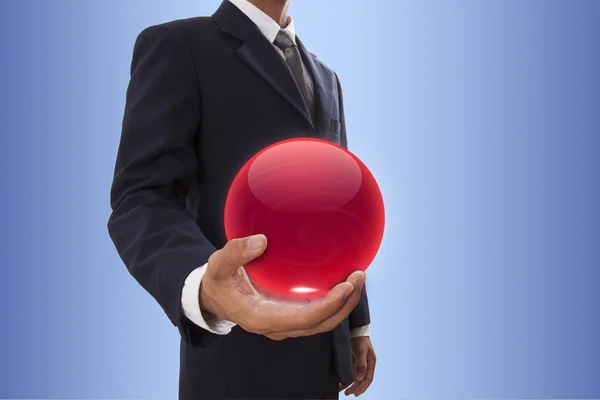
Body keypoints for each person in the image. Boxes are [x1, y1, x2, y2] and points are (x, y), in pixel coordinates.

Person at [108, 0, 376, 398]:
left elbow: (339, 215)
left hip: (322, 356)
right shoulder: (179, 45)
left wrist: (357, 325)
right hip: (235, 357)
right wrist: (204, 287)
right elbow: (142, 196)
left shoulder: (327, 78)